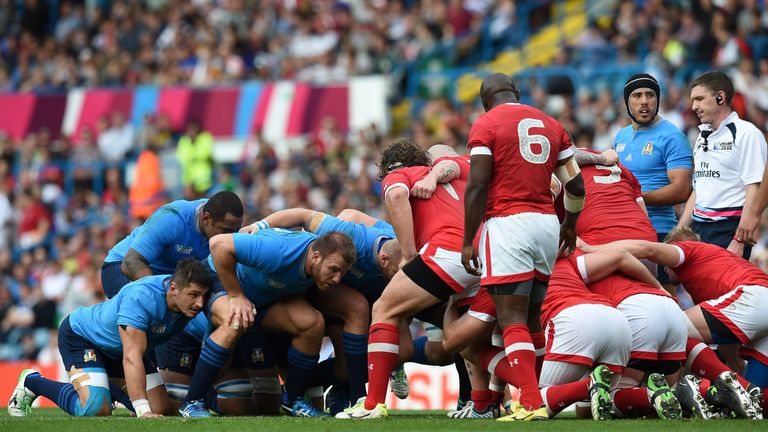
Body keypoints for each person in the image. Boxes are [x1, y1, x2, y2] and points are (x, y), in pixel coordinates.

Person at [461, 72, 585, 421]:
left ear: (486, 101)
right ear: (516, 93)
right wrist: (571, 225)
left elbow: (477, 185)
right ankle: (538, 396)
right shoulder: (551, 123)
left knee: (510, 317)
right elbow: (575, 185)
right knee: (531, 317)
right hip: (547, 224)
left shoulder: (486, 124)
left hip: (508, 223)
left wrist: (468, 238)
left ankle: (530, 402)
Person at [336, 139, 477, 419]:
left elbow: (397, 195)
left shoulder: (400, 175)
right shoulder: (461, 169)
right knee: (469, 335)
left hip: (445, 254)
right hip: (479, 256)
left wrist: (409, 254)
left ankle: (372, 405)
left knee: (384, 309)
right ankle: (488, 401)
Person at [581, 226, 766, 419]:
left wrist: (594, 250)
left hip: (752, 295)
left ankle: (693, 389)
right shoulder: (715, 265)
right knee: (758, 399)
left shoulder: (688, 250)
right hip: (758, 300)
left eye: (664, 263)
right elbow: (722, 332)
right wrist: (735, 366)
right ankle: (730, 387)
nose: (663, 268)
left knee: (672, 329)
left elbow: (647, 249)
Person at [178, 230, 356, 418]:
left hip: (263, 299)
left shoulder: (320, 257)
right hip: (221, 280)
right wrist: (236, 295)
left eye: (342, 273)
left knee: (312, 322)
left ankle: (292, 400)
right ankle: (191, 402)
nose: (337, 279)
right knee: (236, 319)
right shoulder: (280, 250)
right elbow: (218, 244)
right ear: (316, 257)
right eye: (334, 270)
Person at [7, 259, 212, 418]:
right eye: (194, 295)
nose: (200, 303)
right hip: (83, 336)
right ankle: (32, 382)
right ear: (173, 288)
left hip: (120, 348)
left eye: (203, 296)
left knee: (162, 408)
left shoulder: (188, 305)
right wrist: (142, 410)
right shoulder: (142, 297)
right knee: (95, 409)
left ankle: (109, 388)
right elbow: (132, 357)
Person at [241, 208, 401, 409]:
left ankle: (333, 391)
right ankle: (355, 396)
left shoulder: (406, 247)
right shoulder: (349, 235)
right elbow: (304, 214)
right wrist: (258, 226)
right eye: (397, 271)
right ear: (385, 258)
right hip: (307, 292)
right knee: (352, 309)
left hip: (336, 302)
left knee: (397, 352)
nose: (400, 278)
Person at [679, 71, 767, 259]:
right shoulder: (701, 136)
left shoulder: (747, 134)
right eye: (692, 100)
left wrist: (739, 240)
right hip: (699, 227)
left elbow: (754, 188)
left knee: (724, 288)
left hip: (728, 228)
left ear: (720, 97)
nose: (694, 106)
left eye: (700, 99)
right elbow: (698, 188)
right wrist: (680, 229)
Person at [101, 191, 243, 298]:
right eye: (226, 230)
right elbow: (131, 262)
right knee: (143, 307)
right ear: (206, 218)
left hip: (169, 279)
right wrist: (165, 296)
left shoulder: (221, 221)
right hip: (122, 266)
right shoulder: (171, 218)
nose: (231, 237)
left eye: (235, 231)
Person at [611, 73, 693, 259]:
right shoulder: (620, 136)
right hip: (624, 230)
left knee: (661, 289)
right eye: (637, 96)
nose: (644, 101)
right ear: (627, 102)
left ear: (657, 99)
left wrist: (637, 199)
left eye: (650, 95)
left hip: (658, 231)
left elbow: (682, 190)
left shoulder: (672, 136)